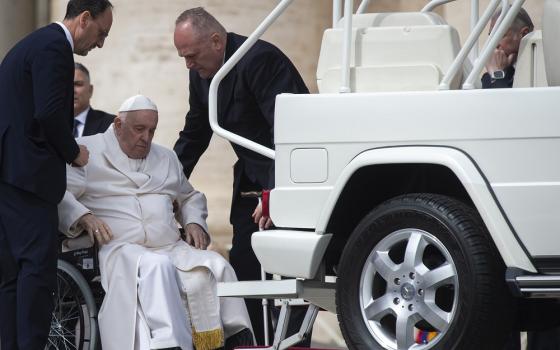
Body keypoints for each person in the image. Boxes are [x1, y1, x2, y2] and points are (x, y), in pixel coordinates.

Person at [58, 94, 254, 350]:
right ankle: (170, 343)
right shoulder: (88, 151)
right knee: (157, 267)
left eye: (152, 131)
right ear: (118, 125)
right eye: (139, 129)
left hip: (171, 246)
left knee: (217, 265)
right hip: (121, 248)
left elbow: (190, 196)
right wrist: (84, 216)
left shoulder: (166, 157)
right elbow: (59, 192)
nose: (146, 138)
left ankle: (234, 339)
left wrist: (194, 221)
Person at [172, 7, 309, 345]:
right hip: (249, 181)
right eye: (182, 57)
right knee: (246, 267)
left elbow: (289, 134)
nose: (187, 64)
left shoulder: (260, 60)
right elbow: (195, 134)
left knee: (292, 278)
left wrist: (274, 194)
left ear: (216, 41)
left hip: (287, 181)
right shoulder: (201, 73)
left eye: (191, 55)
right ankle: (257, 343)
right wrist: (166, 185)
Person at [0, 1, 113, 349]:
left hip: (9, 176)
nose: (101, 43)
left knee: (11, 278)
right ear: (83, 19)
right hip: (31, 180)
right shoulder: (55, 48)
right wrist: (73, 152)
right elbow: (49, 114)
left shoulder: (29, 45)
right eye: (101, 33)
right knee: (36, 273)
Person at [482, 7, 534, 89]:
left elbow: (502, 101)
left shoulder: (537, 71)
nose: (494, 45)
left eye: (499, 35)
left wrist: (497, 73)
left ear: (524, 34)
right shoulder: (489, 77)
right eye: (491, 37)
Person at [73, 62, 115, 137]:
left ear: (90, 90)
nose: (72, 90)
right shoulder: (48, 125)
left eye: (78, 84)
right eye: (66, 85)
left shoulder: (111, 125)